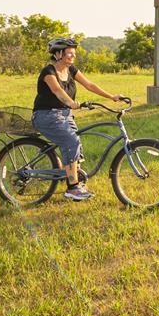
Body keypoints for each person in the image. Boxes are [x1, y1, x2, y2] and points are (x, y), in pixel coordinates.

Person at [31, 38, 125, 201]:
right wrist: (71, 103)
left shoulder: (71, 70)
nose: (73, 57)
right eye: (69, 54)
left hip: (65, 115)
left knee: (76, 144)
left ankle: (74, 180)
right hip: (45, 116)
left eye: (74, 54)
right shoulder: (48, 72)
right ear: (58, 54)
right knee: (71, 142)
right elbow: (57, 90)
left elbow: (89, 84)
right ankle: (72, 188)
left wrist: (111, 97)